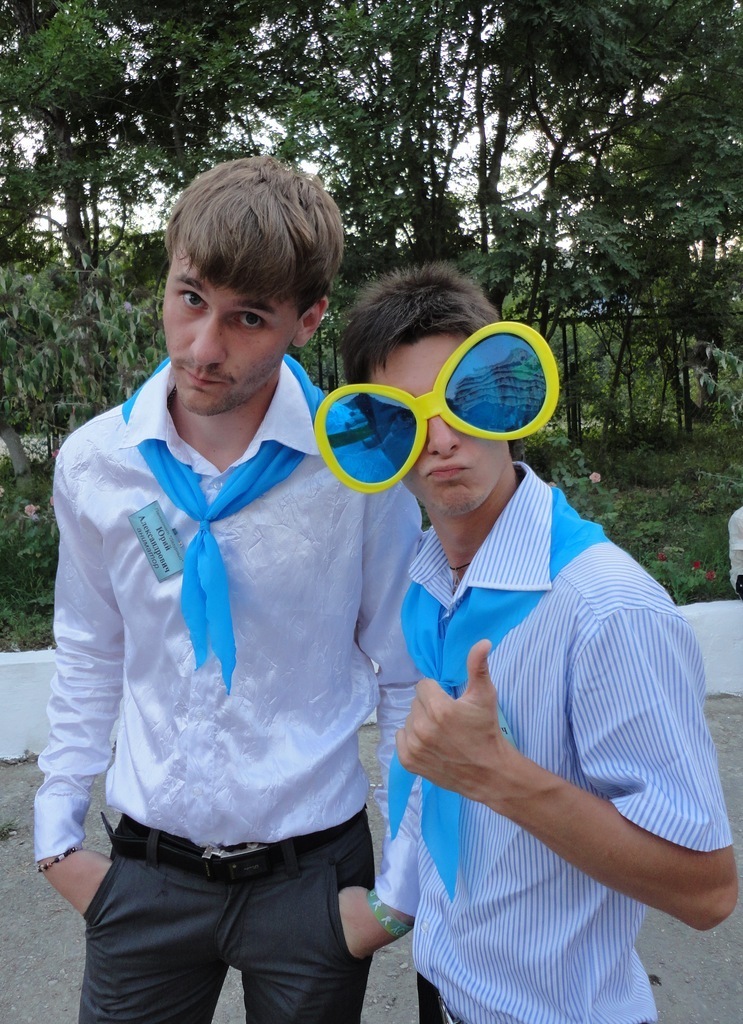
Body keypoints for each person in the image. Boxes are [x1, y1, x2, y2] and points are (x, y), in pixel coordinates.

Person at [33, 156, 423, 1024]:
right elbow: (91, 648)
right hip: (144, 880)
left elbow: (404, 672)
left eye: (248, 317)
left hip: (310, 882)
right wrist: (57, 839)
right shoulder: (97, 463)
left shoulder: (358, 468)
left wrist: (402, 887)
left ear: (307, 320)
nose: (203, 347)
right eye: (190, 299)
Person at [316, 263, 738, 1024]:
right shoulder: (428, 584)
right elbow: (434, 779)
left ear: (510, 400)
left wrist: (498, 775)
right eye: (405, 418)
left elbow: (706, 890)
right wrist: (394, 906)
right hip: (446, 994)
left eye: (465, 399)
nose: (441, 439)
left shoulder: (606, 609)